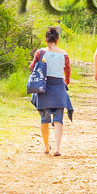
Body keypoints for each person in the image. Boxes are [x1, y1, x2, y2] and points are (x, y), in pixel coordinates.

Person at [30, 25, 73, 156]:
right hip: (59, 87)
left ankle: (46, 146)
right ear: (57, 40)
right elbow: (68, 72)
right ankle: (57, 148)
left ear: (46, 39)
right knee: (58, 118)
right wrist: (66, 82)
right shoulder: (64, 54)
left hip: (44, 88)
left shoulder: (40, 52)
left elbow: (32, 67)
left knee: (45, 118)